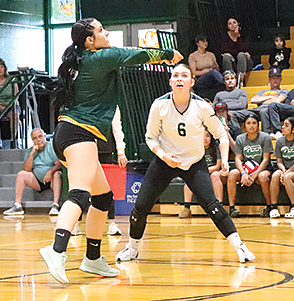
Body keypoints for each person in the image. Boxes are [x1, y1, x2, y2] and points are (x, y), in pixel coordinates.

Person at [39, 17, 183, 285]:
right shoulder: (99, 57)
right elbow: (136, 54)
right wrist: (167, 54)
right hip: (77, 133)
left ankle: (92, 258)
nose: (106, 33)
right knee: (80, 193)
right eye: (101, 30)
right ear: (89, 41)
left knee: (103, 199)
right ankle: (56, 250)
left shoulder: (81, 60)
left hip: (73, 133)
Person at [116, 63, 255, 264]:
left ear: (192, 82)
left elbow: (221, 136)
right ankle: (132, 248)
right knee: (140, 206)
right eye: (175, 76)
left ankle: (240, 247)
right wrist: (164, 156)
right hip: (165, 161)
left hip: (194, 162)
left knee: (213, 206)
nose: (179, 79)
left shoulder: (202, 107)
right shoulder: (159, 105)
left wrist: (225, 160)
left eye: (184, 76)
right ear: (170, 81)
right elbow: (151, 138)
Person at [72, 106, 127, 236]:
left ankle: (112, 223)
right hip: (86, 147)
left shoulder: (112, 103)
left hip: (105, 149)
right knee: (82, 186)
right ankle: (76, 223)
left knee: (108, 187)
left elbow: (117, 127)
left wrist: (121, 151)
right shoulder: (85, 101)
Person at [3, 128, 62, 216]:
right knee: (21, 174)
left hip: (51, 180)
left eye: (40, 137)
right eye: (35, 138)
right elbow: (27, 169)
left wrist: (50, 171)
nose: (38, 140)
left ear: (45, 137)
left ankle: (55, 205)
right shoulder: (30, 150)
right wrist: (31, 154)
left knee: (57, 173)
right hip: (37, 181)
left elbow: (59, 165)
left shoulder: (52, 147)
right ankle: (18, 206)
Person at [227, 114, 274, 218]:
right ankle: (232, 208)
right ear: (245, 126)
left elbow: (266, 159)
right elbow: (238, 159)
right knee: (232, 173)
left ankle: (269, 206)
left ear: (258, 125)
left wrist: (254, 175)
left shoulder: (265, 137)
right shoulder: (240, 139)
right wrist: (243, 173)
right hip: (247, 170)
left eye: (254, 123)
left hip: (263, 169)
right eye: (248, 123)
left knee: (263, 176)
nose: (251, 126)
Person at [270, 117, 294, 218]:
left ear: (293, 129)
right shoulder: (279, 141)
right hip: (286, 169)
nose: (282, 127)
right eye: (283, 125)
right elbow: (279, 161)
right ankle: (273, 207)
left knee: (288, 177)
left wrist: (287, 172)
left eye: (286, 125)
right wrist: (283, 170)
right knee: (275, 175)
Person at [179, 130, 225, 219]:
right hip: (200, 173)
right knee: (189, 179)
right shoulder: (195, 149)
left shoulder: (215, 147)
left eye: (207, 136)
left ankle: (220, 206)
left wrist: (204, 172)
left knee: (215, 175)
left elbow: (217, 166)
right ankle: (187, 207)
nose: (205, 139)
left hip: (213, 172)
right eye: (202, 136)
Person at [232, 67, 288, 134]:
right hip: (256, 110)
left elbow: (277, 100)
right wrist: (269, 97)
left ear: (280, 79)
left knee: (264, 111)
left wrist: (261, 101)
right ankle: (237, 136)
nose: (275, 80)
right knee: (233, 114)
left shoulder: (284, 91)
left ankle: (266, 136)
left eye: (277, 78)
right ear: (269, 80)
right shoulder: (262, 91)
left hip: (269, 111)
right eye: (273, 78)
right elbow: (253, 100)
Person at [0, 58, 20, 149]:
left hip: (11, 104)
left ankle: (14, 140)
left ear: (5, 69)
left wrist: (9, 105)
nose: (0, 69)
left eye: (2, 67)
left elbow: (16, 95)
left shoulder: (12, 79)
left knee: (15, 115)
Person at [220, 17, 254, 88]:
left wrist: (237, 37)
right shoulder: (225, 37)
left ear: (238, 24)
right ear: (227, 26)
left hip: (245, 62)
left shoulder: (244, 35)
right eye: (230, 23)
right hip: (233, 62)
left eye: (234, 22)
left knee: (241, 55)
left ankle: (240, 81)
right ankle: (230, 80)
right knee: (226, 56)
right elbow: (224, 50)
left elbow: (245, 48)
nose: (232, 25)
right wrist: (236, 52)